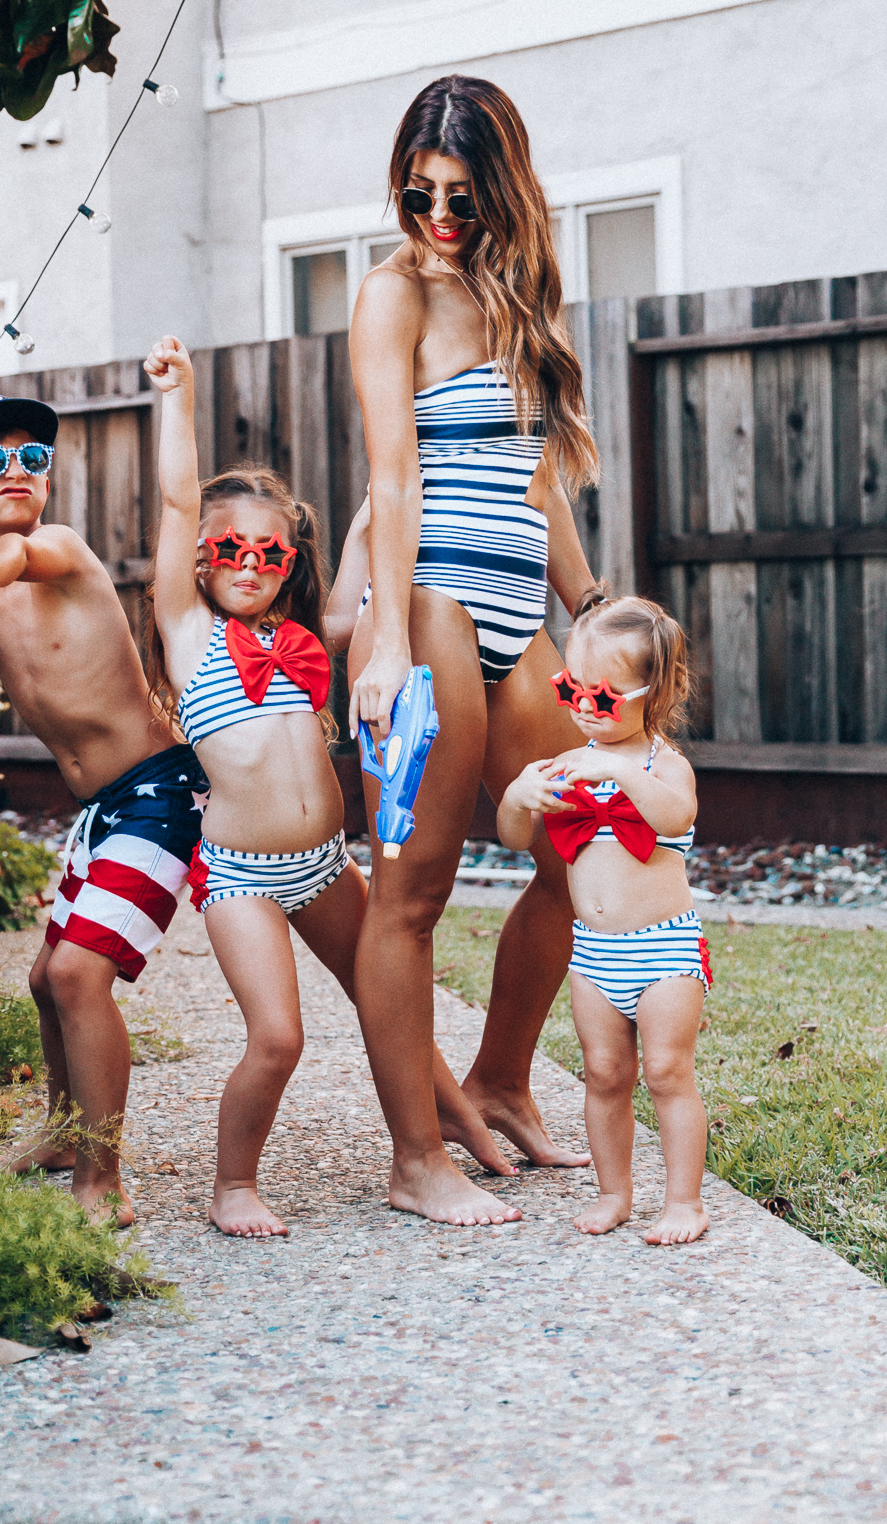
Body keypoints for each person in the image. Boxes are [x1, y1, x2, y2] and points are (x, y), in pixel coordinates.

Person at [143, 336, 512, 1236]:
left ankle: (468, 1131)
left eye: (269, 554)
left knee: (389, 1003)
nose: (248, 563)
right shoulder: (188, 630)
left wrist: (371, 521)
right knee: (279, 1036)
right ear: (199, 555)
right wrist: (178, 398)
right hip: (241, 877)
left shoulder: (306, 639)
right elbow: (174, 497)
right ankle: (234, 1183)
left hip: (322, 866)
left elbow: (351, 599)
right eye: (228, 547)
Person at [348, 73, 599, 1226]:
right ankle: (414, 1160)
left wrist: (590, 612)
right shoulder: (392, 295)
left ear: (505, 191)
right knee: (413, 892)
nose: (441, 217)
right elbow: (393, 478)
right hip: (437, 604)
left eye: (463, 195)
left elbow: (539, 476)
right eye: (421, 193)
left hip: (521, 619)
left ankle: (499, 1077)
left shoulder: (518, 295)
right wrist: (386, 641)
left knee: (582, 854)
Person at [0, 390, 206, 1228]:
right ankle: (66, 1135)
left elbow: (4, 568)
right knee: (41, 981)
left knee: (74, 974)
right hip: (103, 808)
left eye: (34, 457)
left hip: (160, 791)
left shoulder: (51, 549)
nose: (19, 469)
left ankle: (104, 1180)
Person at [498, 588, 709, 1246]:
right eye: (573, 692)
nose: (585, 709)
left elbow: (676, 816)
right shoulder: (567, 766)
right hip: (593, 954)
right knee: (604, 1073)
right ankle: (615, 1192)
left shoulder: (663, 766)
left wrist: (617, 773)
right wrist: (518, 794)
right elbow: (510, 835)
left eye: (604, 697)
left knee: (667, 1072)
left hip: (664, 953)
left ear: (654, 689)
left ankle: (685, 1201)